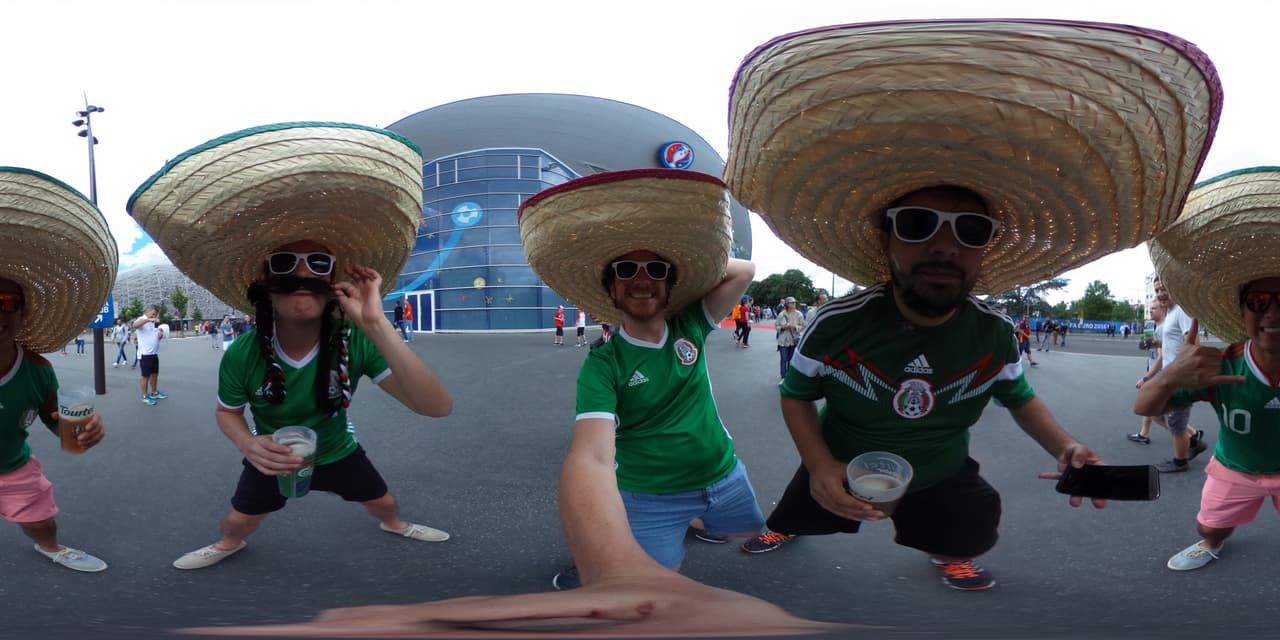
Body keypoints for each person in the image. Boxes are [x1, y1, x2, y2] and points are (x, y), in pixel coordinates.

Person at [722, 19, 1218, 588]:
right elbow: (796, 396)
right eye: (917, 223)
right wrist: (816, 464)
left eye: (970, 230)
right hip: (843, 458)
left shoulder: (994, 333)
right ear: (886, 238)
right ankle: (783, 526)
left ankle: (946, 553)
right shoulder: (835, 324)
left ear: (986, 250)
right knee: (804, 503)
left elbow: (1020, 397)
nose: (942, 245)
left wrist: (1068, 447)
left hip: (940, 467)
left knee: (967, 526)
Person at [126, 122, 455, 570]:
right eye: (285, 265)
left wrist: (378, 326)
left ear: (334, 283)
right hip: (273, 457)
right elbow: (227, 412)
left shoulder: (356, 341)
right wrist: (248, 445)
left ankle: (394, 524)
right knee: (237, 521)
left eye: (318, 264)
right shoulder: (243, 353)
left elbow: (436, 407)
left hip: (338, 451)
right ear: (264, 287)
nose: (302, 275)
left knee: (382, 501)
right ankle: (227, 546)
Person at [518, 169, 768, 591]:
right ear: (611, 290)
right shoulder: (603, 364)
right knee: (649, 584)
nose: (641, 278)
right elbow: (592, 457)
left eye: (655, 269)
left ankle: (690, 522)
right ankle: (598, 563)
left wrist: (692, 265)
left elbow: (744, 271)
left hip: (724, 477)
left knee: (746, 530)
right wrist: (593, 534)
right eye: (625, 270)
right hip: (650, 495)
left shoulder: (691, 325)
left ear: (670, 286)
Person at [1135, 166, 1280, 572]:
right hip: (1236, 470)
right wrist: (1168, 377)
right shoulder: (1221, 365)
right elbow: (1144, 408)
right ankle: (1212, 542)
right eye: (1259, 301)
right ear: (1242, 309)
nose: (1272, 313)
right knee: (1210, 526)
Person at [0, 167, 115, 572]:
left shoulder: (36, 371)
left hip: (11, 467)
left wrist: (83, 433)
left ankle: (49, 547)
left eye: (6, 300)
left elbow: (56, 422)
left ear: (22, 311)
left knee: (42, 522)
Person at [1136, 277, 1207, 473]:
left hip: (1179, 377)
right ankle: (1193, 441)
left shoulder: (1182, 311)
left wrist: (1182, 372)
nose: (1159, 294)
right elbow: (1173, 343)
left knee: (1175, 423)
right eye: (1157, 290)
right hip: (1168, 376)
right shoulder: (1172, 314)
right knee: (1157, 414)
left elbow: (1192, 343)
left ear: (1175, 287)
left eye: (1163, 289)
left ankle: (1180, 461)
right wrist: (1157, 345)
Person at [1128, 301, 1168, 444]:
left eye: (1153, 308)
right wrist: (1146, 345)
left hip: (1159, 374)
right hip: (1154, 371)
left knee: (1153, 410)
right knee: (1150, 406)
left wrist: (1146, 378)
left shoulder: (1163, 329)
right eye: (1149, 308)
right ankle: (1144, 434)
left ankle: (1191, 436)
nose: (1150, 311)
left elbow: (1162, 357)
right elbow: (1155, 351)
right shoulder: (1155, 327)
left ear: (1163, 310)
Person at [133, 305, 166, 406]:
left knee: (154, 374)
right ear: (148, 311)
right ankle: (145, 396)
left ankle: (154, 392)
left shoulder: (152, 323)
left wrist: (159, 336)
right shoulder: (142, 319)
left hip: (154, 353)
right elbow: (135, 325)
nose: (154, 316)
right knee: (145, 376)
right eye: (153, 314)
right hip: (145, 354)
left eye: (155, 314)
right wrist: (148, 319)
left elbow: (151, 336)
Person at [775, 296, 806, 382]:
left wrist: (795, 327)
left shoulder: (799, 314)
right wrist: (782, 327)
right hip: (783, 340)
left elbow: (803, 325)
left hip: (794, 340)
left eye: (795, 303)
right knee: (783, 359)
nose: (794, 304)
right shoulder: (781, 314)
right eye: (792, 303)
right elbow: (776, 325)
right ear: (787, 304)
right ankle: (783, 377)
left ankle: (789, 376)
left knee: (791, 359)